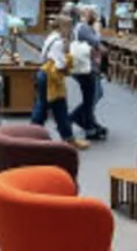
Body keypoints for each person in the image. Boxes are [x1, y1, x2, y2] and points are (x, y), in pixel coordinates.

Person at [34, 14, 86, 150]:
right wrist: (69, 58)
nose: (71, 30)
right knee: (46, 108)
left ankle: (67, 137)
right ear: (64, 26)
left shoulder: (52, 36)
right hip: (51, 77)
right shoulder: (58, 42)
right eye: (69, 27)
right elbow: (61, 64)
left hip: (45, 75)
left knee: (56, 108)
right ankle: (32, 137)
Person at [70, 8, 107, 141]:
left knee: (95, 95)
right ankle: (82, 120)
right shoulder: (83, 28)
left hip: (89, 66)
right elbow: (96, 41)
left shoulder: (83, 27)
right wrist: (97, 30)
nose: (95, 17)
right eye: (93, 14)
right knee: (92, 97)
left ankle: (87, 122)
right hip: (86, 67)